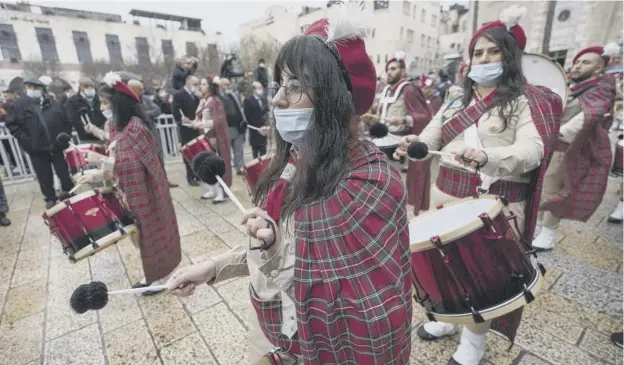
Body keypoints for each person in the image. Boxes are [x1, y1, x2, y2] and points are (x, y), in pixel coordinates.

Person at [166, 4, 412, 364]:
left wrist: (274, 241)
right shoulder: (295, 162)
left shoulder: (372, 181)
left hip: (334, 349)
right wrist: (214, 268)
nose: (277, 98)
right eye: (280, 85)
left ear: (332, 97)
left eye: (295, 87)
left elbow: (345, 298)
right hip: (277, 326)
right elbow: (283, 246)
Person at [395, 6, 562, 365]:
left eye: (493, 51)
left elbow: (533, 150)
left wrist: (488, 158)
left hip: (493, 201)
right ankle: (450, 318)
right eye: (477, 52)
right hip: (447, 193)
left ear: (510, 57)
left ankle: (474, 343)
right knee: (446, 268)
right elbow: (432, 133)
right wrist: (414, 144)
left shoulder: (522, 102)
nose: (483, 58)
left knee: (483, 277)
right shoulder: (456, 97)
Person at [76, 72, 181, 295]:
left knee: (151, 235)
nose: (102, 106)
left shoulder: (136, 127)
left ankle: (160, 276)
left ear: (119, 103)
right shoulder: (117, 127)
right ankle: (153, 273)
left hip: (147, 191)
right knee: (138, 236)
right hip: (129, 192)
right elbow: (118, 158)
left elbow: (133, 164)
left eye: (106, 102)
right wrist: (95, 175)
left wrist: (102, 161)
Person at [533, 43, 619, 250]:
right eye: (577, 61)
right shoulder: (574, 86)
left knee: (555, 190)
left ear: (599, 68)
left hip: (567, 147)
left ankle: (548, 234)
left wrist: (558, 133)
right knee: (545, 188)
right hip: (553, 144)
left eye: (586, 62)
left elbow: (589, 115)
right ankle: (542, 229)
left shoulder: (601, 89)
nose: (578, 65)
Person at [5, 77, 75, 209]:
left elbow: (66, 120)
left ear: (42, 89)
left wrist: (65, 136)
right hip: (36, 148)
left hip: (56, 145)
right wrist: (26, 141)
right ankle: (50, 197)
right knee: (44, 175)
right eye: (29, 87)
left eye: (35, 87)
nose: (32, 90)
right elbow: (12, 125)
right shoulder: (18, 105)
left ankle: (69, 192)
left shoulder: (53, 103)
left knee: (63, 172)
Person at [406, 75, 445, 215]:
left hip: (429, 147)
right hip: (417, 144)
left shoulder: (438, 100)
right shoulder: (417, 102)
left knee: (425, 176)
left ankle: (423, 205)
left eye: (429, 88)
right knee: (413, 176)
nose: (427, 91)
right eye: (424, 88)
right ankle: (412, 204)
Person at [194, 76, 232, 203]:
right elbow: (199, 116)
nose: (201, 86)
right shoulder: (204, 100)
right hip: (206, 136)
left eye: (204, 84)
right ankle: (213, 189)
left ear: (210, 86)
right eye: (201, 84)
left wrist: (200, 124)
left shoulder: (215, 100)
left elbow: (218, 121)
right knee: (207, 163)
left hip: (215, 137)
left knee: (217, 163)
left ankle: (221, 191)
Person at [172, 75, 201, 186]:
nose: (196, 86)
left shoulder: (195, 95)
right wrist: (182, 119)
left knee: (197, 150)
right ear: (188, 83)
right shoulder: (179, 94)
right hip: (186, 128)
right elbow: (175, 109)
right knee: (188, 151)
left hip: (196, 126)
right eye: (195, 84)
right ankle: (190, 176)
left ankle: (198, 174)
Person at [218, 77, 248, 174]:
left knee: (238, 149)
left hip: (237, 126)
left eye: (228, 84)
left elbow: (239, 108)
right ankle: (226, 170)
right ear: (221, 85)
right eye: (226, 84)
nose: (228, 86)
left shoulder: (232, 95)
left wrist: (243, 121)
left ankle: (239, 167)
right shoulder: (218, 97)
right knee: (226, 151)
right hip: (227, 127)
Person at [65, 77, 107, 143]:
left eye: (91, 86)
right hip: (85, 138)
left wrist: (100, 128)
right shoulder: (72, 101)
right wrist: (85, 128)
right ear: (80, 87)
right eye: (86, 86)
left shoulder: (100, 99)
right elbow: (72, 118)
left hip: (102, 135)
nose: (90, 88)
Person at [244, 81, 270, 158]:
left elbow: (266, 112)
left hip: (263, 128)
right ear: (253, 89)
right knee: (255, 151)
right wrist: (252, 126)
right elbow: (247, 114)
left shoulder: (264, 99)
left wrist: (267, 124)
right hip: (254, 128)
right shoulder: (248, 100)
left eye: (261, 88)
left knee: (263, 150)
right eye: (258, 88)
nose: (260, 90)